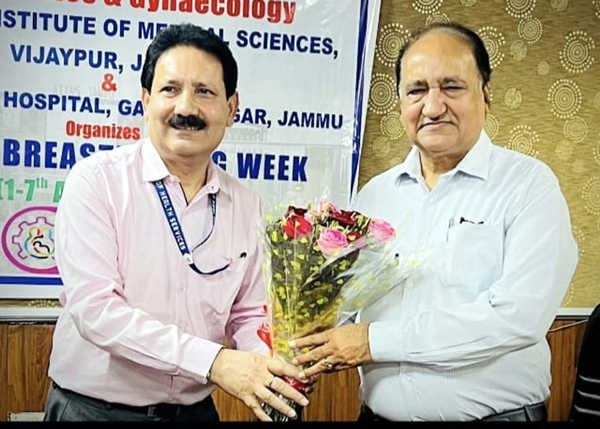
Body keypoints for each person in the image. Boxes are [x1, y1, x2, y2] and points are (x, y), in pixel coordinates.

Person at [290, 22, 578, 422]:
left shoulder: (529, 185)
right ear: (400, 104)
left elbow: (517, 318)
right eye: (417, 90)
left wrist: (373, 341)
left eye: (451, 87)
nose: (433, 106)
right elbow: (347, 305)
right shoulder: (374, 195)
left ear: (486, 94)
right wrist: (301, 330)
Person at [43, 23, 310, 422]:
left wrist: (272, 368)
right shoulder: (97, 181)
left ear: (231, 108)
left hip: (194, 412)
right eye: (170, 89)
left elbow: (248, 314)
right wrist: (214, 362)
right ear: (146, 100)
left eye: (205, 92)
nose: (186, 108)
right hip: (94, 411)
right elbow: (95, 310)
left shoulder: (247, 205)